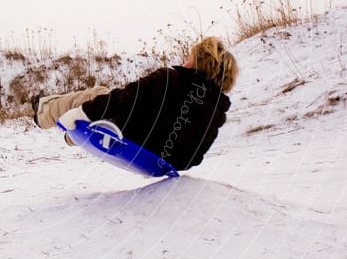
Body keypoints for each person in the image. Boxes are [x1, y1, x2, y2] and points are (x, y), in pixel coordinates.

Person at [32, 36, 237, 171]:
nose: (184, 60)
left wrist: (82, 113)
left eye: (188, 57)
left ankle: (43, 110)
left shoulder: (170, 79)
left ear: (196, 63)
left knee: (100, 94)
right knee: (134, 107)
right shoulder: (217, 113)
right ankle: (72, 136)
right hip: (161, 164)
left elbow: (126, 97)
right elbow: (196, 158)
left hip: (132, 139)